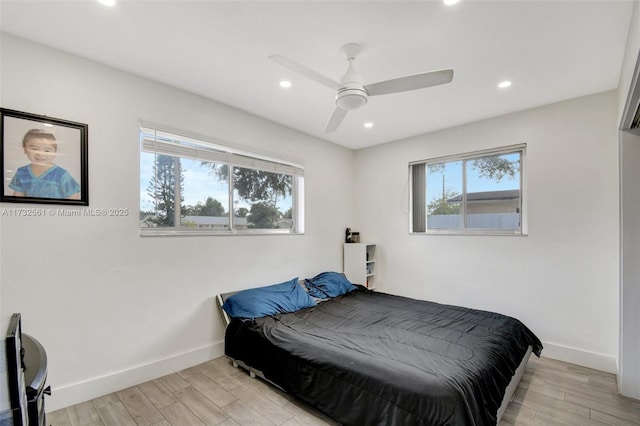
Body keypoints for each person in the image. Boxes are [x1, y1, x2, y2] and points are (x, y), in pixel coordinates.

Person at [9, 128, 80, 199]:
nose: (40, 154)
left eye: (47, 150)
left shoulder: (62, 174)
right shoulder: (21, 172)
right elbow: (18, 198)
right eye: (34, 149)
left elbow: (73, 198)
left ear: (55, 152)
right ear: (25, 149)